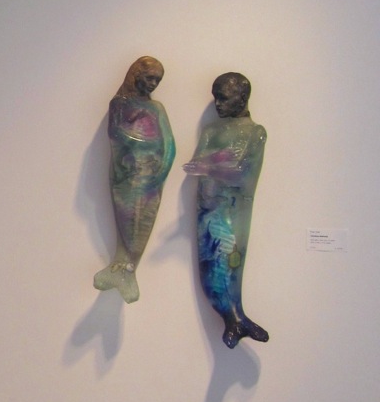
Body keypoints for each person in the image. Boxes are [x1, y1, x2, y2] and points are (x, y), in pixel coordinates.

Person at [183, 72, 268, 348]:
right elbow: (195, 164)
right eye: (215, 97)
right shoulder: (211, 131)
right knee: (211, 268)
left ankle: (236, 316)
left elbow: (242, 173)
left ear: (242, 98)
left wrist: (210, 167)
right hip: (208, 210)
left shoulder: (255, 132)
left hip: (235, 212)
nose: (217, 104)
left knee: (231, 261)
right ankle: (233, 319)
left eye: (223, 98)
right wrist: (217, 166)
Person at [94, 56, 175, 303]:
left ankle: (126, 271)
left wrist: (163, 170)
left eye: (158, 80)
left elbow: (170, 144)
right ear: (136, 74)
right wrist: (146, 144)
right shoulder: (119, 103)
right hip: (127, 174)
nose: (153, 84)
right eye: (150, 78)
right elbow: (116, 133)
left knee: (143, 221)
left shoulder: (157, 108)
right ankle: (122, 270)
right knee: (128, 220)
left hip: (151, 176)